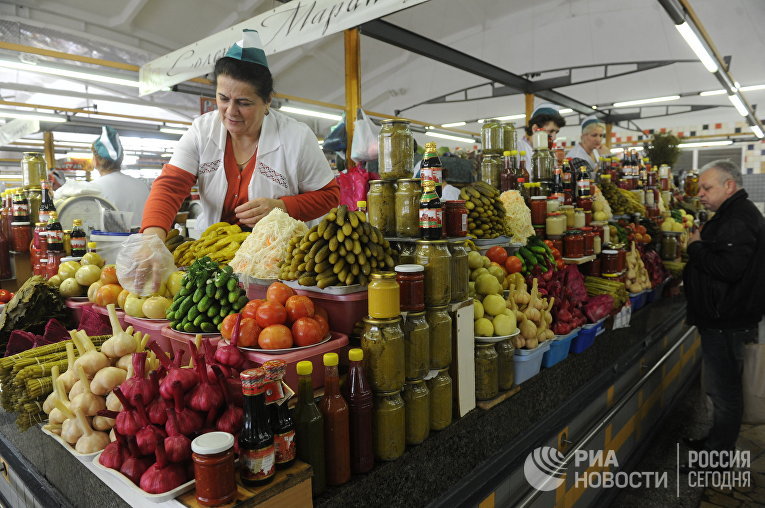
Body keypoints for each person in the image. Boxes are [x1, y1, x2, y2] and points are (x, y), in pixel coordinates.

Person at [141, 29, 339, 240]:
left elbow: (329, 196)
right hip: (216, 254)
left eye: (244, 103)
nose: (231, 111)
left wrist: (282, 207)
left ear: (267, 101)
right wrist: (151, 238)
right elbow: (171, 186)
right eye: (223, 98)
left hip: (279, 256)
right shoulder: (202, 131)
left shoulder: (296, 137)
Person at [681, 159, 765, 467]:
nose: (700, 193)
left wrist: (695, 247)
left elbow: (729, 268)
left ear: (729, 186)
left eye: (707, 188)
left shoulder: (738, 219)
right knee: (722, 389)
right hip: (725, 316)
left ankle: (717, 456)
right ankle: (717, 443)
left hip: (727, 319)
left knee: (726, 392)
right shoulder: (734, 214)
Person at [90, 126, 151, 229]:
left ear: (95, 160)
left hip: (108, 244)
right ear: (121, 159)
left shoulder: (92, 188)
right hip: (143, 243)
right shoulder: (143, 186)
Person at [517, 103, 566, 176]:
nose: (554, 137)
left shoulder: (549, 154)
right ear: (535, 129)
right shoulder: (518, 148)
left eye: (556, 132)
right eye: (550, 131)